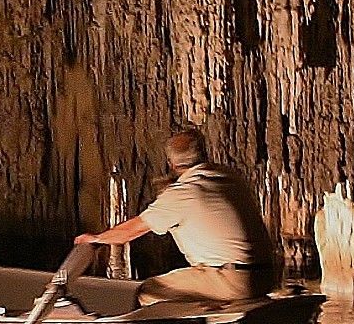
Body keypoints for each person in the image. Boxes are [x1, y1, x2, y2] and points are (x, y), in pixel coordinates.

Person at [76, 128, 282, 304]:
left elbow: (129, 232)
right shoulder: (230, 178)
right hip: (268, 276)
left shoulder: (184, 192)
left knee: (145, 292)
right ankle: (208, 313)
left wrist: (96, 239)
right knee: (186, 284)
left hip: (232, 280)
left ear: (172, 163)